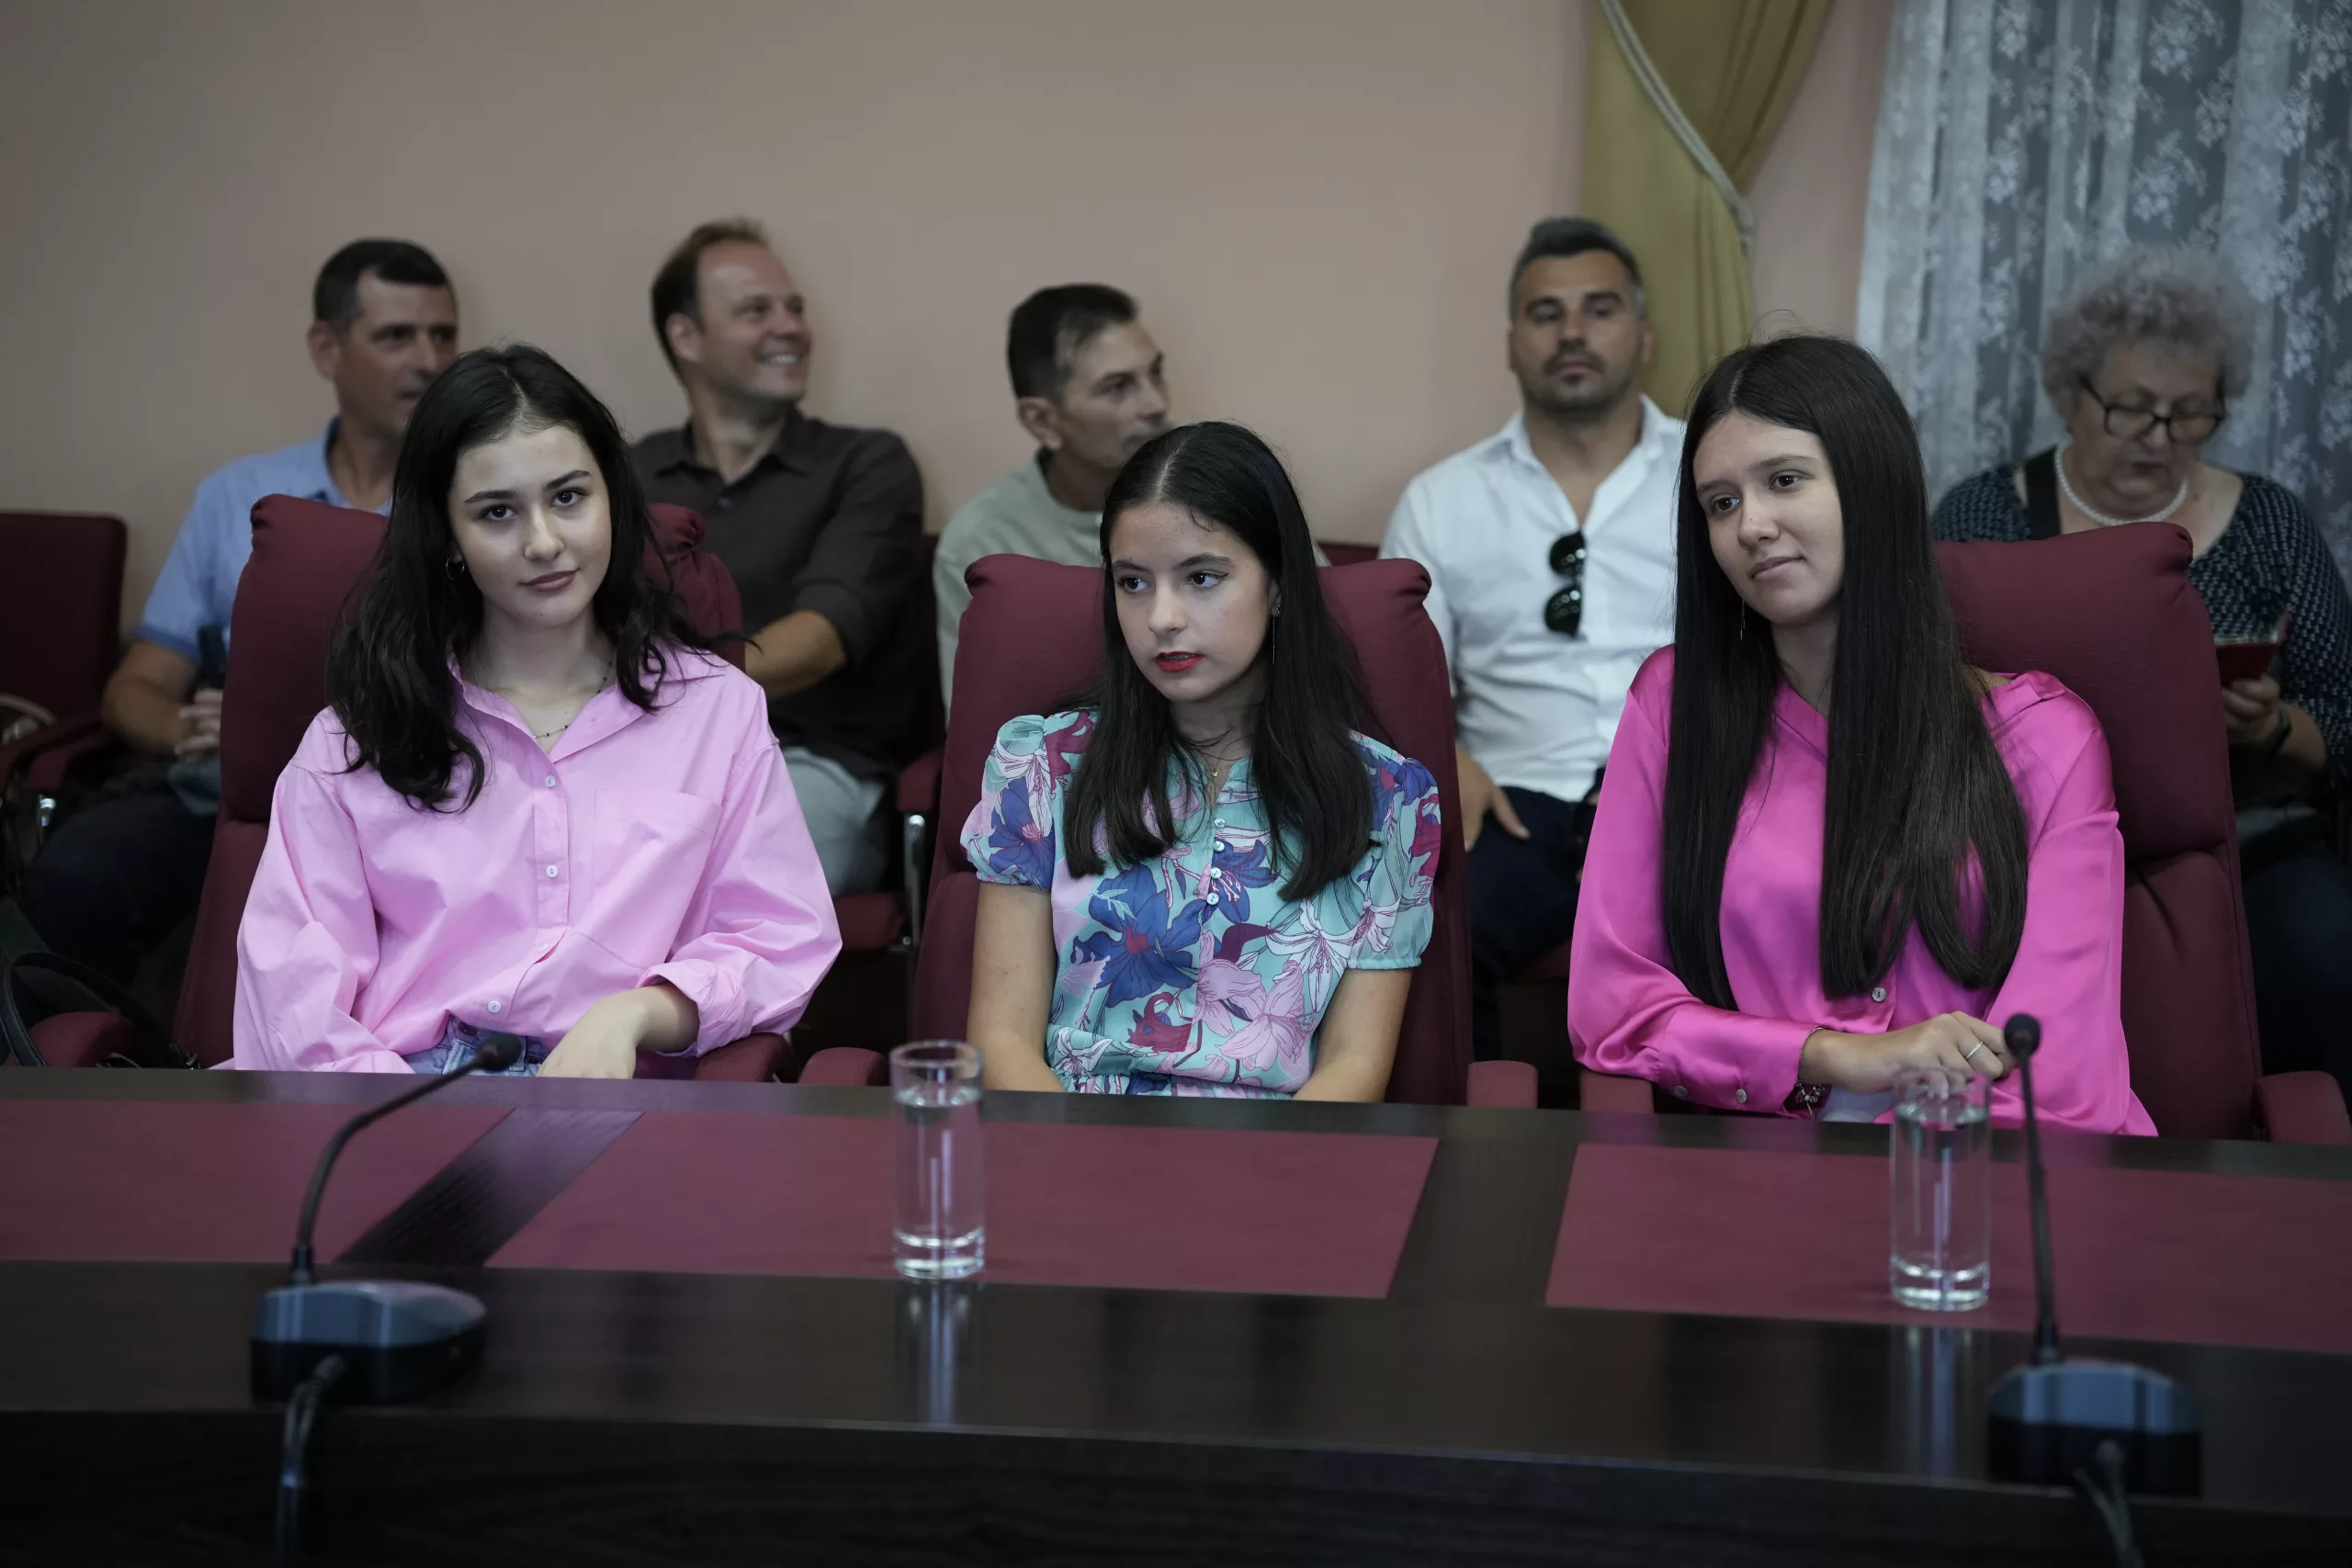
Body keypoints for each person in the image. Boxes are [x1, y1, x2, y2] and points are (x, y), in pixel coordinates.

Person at [1569, 334, 2152, 1134]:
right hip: (1768, 1170)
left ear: (1871, 483)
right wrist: (1830, 1055)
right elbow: (1614, 1006)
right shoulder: (1673, 706)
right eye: (1721, 503)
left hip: (1992, 1170)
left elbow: (2057, 1076)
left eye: (1784, 480)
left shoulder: (2047, 739)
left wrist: (1896, 1171)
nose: (1752, 526)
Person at [232, 344, 840, 1075]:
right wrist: (414, 1123)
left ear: (612, 499)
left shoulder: (716, 710)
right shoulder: (353, 739)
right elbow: (292, 1003)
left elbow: (778, 938)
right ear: (448, 537)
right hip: (399, 1094)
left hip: (621, 1096)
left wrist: (635, 1012)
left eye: (569, 497)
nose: (544, 542)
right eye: (497, 512)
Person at [1931, 246, 2352, 1103]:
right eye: (2130, 409)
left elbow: (2340, 712)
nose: (2158, 438)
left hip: (2249, 841)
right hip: (2018, 843)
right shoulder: (1984, 513)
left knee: (2323, 951)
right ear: (2070, 393)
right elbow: (1923, 683)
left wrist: (2270, 725)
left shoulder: (2269, 523)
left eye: (2190, 415)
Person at [21, 239, 458, 983]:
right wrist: (181, 728)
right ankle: (83, 1052)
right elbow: (136, 686)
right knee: (77, 879)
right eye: (396, 336)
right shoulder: (239, 494)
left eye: (443, 335)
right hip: (225, 794)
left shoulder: (477, 499)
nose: (430, 360)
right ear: (326, 348)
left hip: (409, 800)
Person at [962, 422, 1442, 1099]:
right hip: (1071, 1132)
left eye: (1202, 577)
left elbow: (1353, 1068)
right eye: (1133, 582)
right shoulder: (1042, 766)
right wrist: (1071, 1156)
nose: (1162, 617)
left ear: (1278, 584)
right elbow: (1002, 1041)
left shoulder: (1387, 798)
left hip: (1283, 1147)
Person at [1380, 217, 1681, 1059]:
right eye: (1546, 313)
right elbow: (1393, 675)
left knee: (1771, 922)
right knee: (1426, 930)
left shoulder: (1710, 475)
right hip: (1513, 802)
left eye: (1599, 309)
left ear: (1644, 335)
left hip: (1687, 794)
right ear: (1512, 343)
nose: (1572, 331)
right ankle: (1467, 1138)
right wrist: (1447, 758)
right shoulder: (1442, 499)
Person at [631, 219, 924, 895]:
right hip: (647, 758)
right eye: (756, 310)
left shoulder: (866, 463)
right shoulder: (629, 477)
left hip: (811, 762)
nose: (791, 327)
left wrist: (664, 696)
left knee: (715, 883)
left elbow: (821, 640)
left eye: (794, 307)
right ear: (686, 336)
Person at [933, 285, 1171, 703]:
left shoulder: (1214, 483)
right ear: (1042, 421)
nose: (1155, 404)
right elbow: (977, 718)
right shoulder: (983, 543)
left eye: (1155, 373)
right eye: (1118, 386)